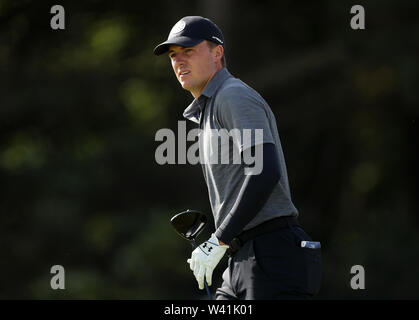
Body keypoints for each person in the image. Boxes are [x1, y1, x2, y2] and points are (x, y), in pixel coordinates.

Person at [154, 16, 322, 300]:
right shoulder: (210, 108)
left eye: (189, 51)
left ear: (217, 53)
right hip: (242, 259)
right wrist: (223, 241)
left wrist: (217, 239)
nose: (179, 61)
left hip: (272, 255)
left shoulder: (232, 96)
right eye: (174, 55)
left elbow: (265, 172)